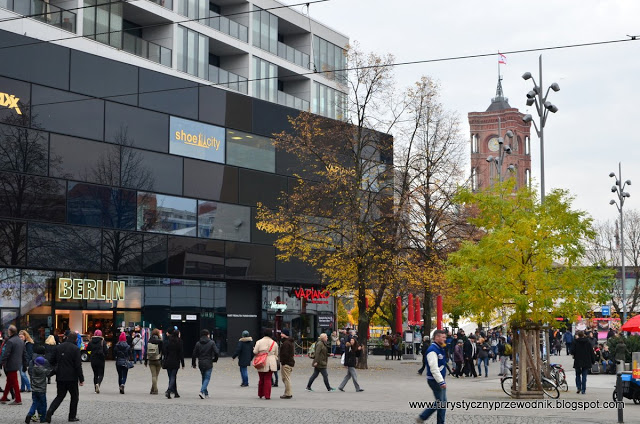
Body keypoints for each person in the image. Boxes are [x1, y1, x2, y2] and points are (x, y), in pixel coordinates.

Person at [44, 331, 84, 423]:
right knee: (74, 396)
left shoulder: (59, 347)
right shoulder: (75, 349)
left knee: (60, 396)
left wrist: (56, 367)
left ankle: (50, 411)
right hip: (72, 377)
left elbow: (51, 360)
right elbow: (78, 365)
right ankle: (72, 416)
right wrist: (81, 379)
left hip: (60, 376)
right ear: (76, 339)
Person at [416, 329, 448, 424]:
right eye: (443, 337)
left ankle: (426, 418)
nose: (445, 339)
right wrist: (441, 381)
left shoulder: (439, 348)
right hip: (435, 380)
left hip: (439, 379)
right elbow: (434, 368)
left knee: (442, 402)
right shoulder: (432, 350)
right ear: (436, 337)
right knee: (441, 403)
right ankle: (422, 417)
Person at [0, 325, 27, 405]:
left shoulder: (10, 341)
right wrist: (25, 364)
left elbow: (6, 353)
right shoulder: (20, 341)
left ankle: (18, 399)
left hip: (10, 364)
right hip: (17, 363)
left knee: (14, 382)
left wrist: (2, 362)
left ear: (10, 331)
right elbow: (24, 354)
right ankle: (4, 397)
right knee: (9, 382)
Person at [192, 329, 219, 399]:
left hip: (201, 362)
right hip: (209, 362)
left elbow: (194, 354)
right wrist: (215, 359)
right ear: (208, 335)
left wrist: (193, 363)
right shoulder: (211, 343)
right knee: (207, 378)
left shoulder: (198, 343)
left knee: (204, 378)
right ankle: (201, 391)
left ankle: (205, 393)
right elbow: (216, 352)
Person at [252, 329, 279, 400]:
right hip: (271, 361)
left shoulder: (259, 342)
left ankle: (260, 394)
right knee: (268, 378)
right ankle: (267, 395)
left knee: (261, 379)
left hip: (261, 361)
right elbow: (276, 354)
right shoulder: (274, 343)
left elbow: (255, 351)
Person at [26, 349, 50, 423]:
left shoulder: (33, 369)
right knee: (43, 404)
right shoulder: (43, 371)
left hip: (34, 389)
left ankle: (30, 413)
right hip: (42, 390)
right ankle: (42, 418)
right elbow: (50, 372)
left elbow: (30, 372)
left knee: (35, 403)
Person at [572, 330, 595, 395]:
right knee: (584, 375)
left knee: (577, 375)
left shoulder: (575, 342)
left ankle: (578, 387)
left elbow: (572, 351)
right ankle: (583, 390)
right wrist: (593, 360)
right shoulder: (588, 342)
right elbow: (591, 352)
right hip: (586, 361)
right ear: (583, 335)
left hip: (578, 360)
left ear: (578, 335)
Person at [163, 329, 184, 399]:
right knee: (173, 376)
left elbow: (165, 351)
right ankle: (169, 390)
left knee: (171, 377)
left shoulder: (168, 341)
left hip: (168, 360)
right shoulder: (179, 342)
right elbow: (181, 353)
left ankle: (175, 392)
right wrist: (182, 363)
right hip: (175, 361)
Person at [87, 330, 108, 394]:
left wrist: (90, 355)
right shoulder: (102, 341)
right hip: (101, 359)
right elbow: (106, 351)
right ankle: (98, 384)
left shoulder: (91, 342)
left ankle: (95, 388)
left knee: (95, 374)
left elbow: (88, 349)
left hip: (93, 360)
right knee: (101, 374)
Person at [144, 328, 163, 395]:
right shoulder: (160, 341)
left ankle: (152, 389)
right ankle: (155, 390)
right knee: (156, 376)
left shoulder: (149, 341)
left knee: (153, 376)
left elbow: (146, 352)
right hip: (158, 359)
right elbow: (162, 351)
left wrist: (145, 361)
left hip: (151, 360)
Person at [279, 328, 295, 399]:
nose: (281, 335)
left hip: (286, 363)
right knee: (285, 378)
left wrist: (283, 362)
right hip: (289, 362)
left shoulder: (286, 343)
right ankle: (287, 392)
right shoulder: (289, 342)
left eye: (282, 333)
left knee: (286, 378)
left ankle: (288, 393)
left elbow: (285, 354)